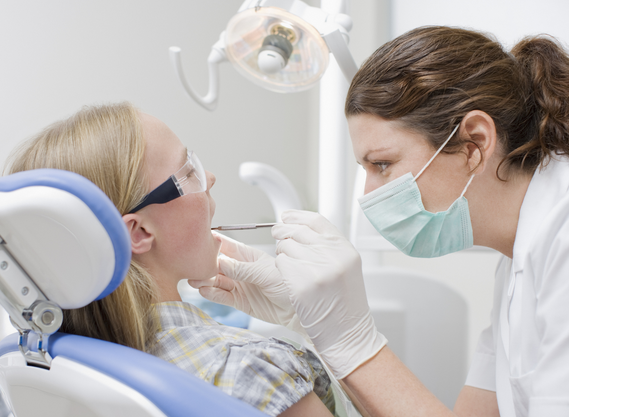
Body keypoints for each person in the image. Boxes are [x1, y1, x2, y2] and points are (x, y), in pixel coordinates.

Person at [192, 26, 569, 417]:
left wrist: (351, 341)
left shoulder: (576, 239)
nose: (369, 194)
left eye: (383, 164)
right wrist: (316, 327)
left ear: (474, 143)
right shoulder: (515, 264)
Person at [3, 102, 341, 417]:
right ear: (138, 234)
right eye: (188, 172)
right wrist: (333, 334)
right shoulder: (247, 368)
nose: (209, 178)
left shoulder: (49, 361)